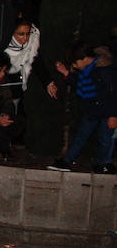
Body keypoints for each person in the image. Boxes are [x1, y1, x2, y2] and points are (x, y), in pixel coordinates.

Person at [48, 42, 117, 174]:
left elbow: (113, 94)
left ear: (85, 59)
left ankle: (104, 163)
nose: (74, 66)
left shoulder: (105, 70)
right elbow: (80, 82)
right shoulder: (87, 70)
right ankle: (67, 161)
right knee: (81, 136)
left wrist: (113, 115)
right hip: (92, 110)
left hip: (106, 111)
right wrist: (66, 73)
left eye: (75, 63)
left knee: (105, 138)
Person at [4, 19, 58, 101]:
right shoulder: (2, 47)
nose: (25, 38)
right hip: (3, 93)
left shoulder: (31, 46)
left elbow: (38, 64)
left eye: (28, 34)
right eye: (21, 34)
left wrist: (48, 83)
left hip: (19, 92)